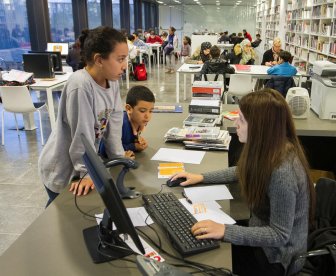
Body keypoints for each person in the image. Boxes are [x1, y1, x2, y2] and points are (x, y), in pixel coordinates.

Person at [171, 89, 315, 275]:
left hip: (277, 258)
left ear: (259, 127)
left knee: (205, 263)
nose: (236, 124)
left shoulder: (283, 172)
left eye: (242, 119)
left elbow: (279, 235)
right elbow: (242, 170)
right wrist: (202, 177)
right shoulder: (269, 150)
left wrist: (226, 231)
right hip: (260, 235)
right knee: (200, 241)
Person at [38, 26, 129, 206]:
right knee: (61, 215)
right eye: (120, 59)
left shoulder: (112, 82)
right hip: (62, 169)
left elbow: (115, 124)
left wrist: (119, 158)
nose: (125, 65)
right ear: (98, 59)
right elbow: (82, 134)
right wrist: (87, 172)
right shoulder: (80, 84)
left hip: (82, 163)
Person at [99, 86, 155, 156]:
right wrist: (133, 147)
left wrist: (137, 141)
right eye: (142, 111)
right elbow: (104, 150)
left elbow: (125, 140)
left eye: (151, 111)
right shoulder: (120, 125)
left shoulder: (140, 121)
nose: (147, 116)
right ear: (129, 109)